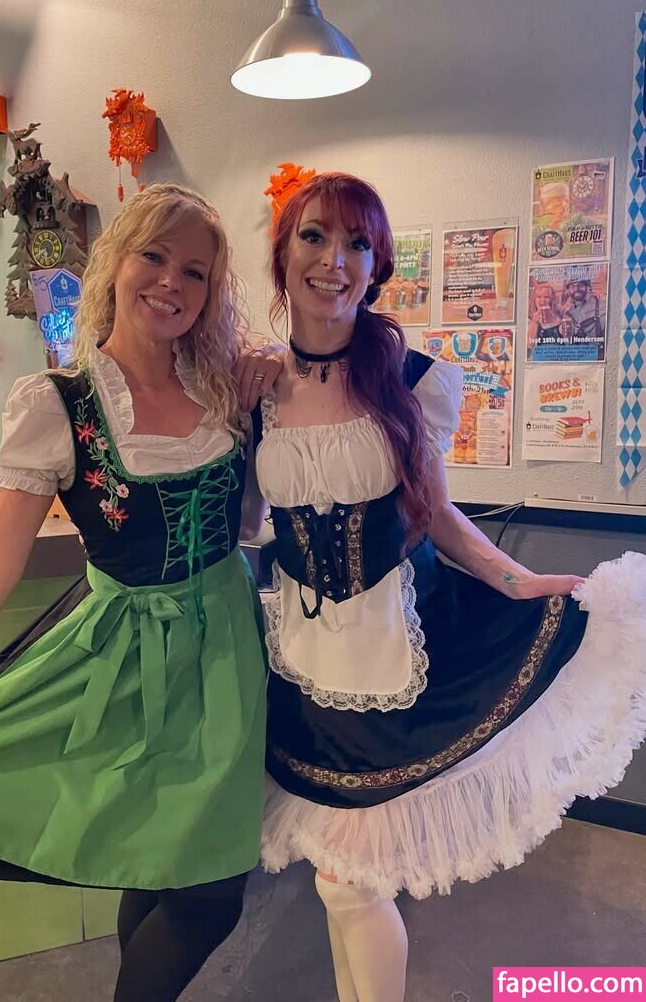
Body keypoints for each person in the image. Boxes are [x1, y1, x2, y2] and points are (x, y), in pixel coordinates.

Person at [0, 184, 279, 1002]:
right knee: (183, 877)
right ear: (116, 262)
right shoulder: (60, 405)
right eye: (154, 257)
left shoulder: (224, 389)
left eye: (195, 272)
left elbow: (248, 517)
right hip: (124, 663)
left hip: (227, 657)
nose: (171, 282)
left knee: (188, 874)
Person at [250, 173, 646, 1002]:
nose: (334, 260)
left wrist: (516, 578)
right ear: (282, 253)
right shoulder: (255, 390)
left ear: (377, 268)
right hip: (304, 667)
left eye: (358, 244)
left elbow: (433, 512)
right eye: (315, 236)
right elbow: (246, 519)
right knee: (340, 879)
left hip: (400, 649)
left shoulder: (411, 379)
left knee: (350, 883)